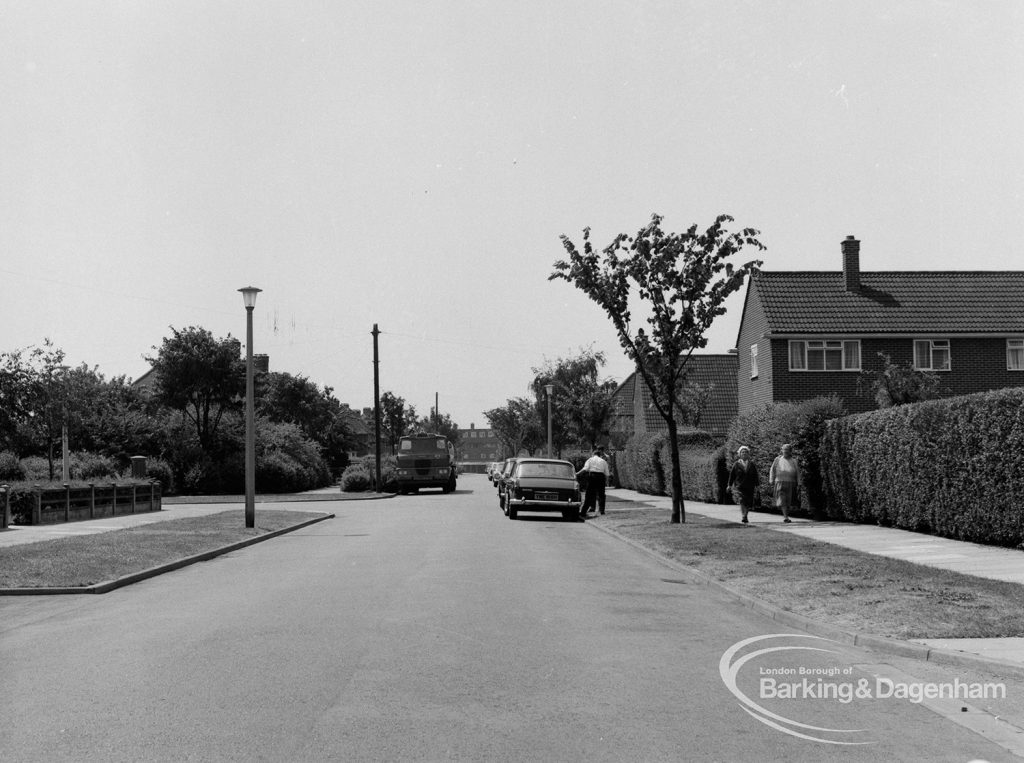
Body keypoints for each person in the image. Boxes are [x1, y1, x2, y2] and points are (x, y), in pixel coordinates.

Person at [727, 446, 759, 524]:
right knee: (742, 500)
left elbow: (755, 476)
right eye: (742, 452)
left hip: (750, 486)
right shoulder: (736, 464)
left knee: (748, 502)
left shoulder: (751, 464)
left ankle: (746, 515)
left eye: (746, 452)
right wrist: (729, 485)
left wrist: (757, 486)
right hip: (740, 486)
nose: (744, 453)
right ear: (740, 454)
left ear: (748, 454)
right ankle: (743, 516)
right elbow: (732, 476)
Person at [769, 443, 800, 523]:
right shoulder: (777, 459)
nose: (785, 451)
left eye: (787, 450)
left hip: (791, 482)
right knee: (782, 500)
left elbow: (798, 472)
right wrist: (771, 479)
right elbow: (772, 470)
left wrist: (799, 482)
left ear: (790, 451)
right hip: (779, 482)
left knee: (789, 501)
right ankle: (786, 517)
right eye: (784, 449)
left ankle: (786, 515)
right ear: (781, 450)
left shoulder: (794, 461)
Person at [577, 447, 610, 518]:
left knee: (589, 494)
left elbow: (585, 469)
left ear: (593, 454)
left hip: (592, 476)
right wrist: (607, 482)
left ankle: (583, 512)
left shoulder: (590, 459)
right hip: (601, 477)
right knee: (601, 494)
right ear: (599, 455)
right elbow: (607, 473)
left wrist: (577, 473)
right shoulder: (603, 461)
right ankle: (602, 511)